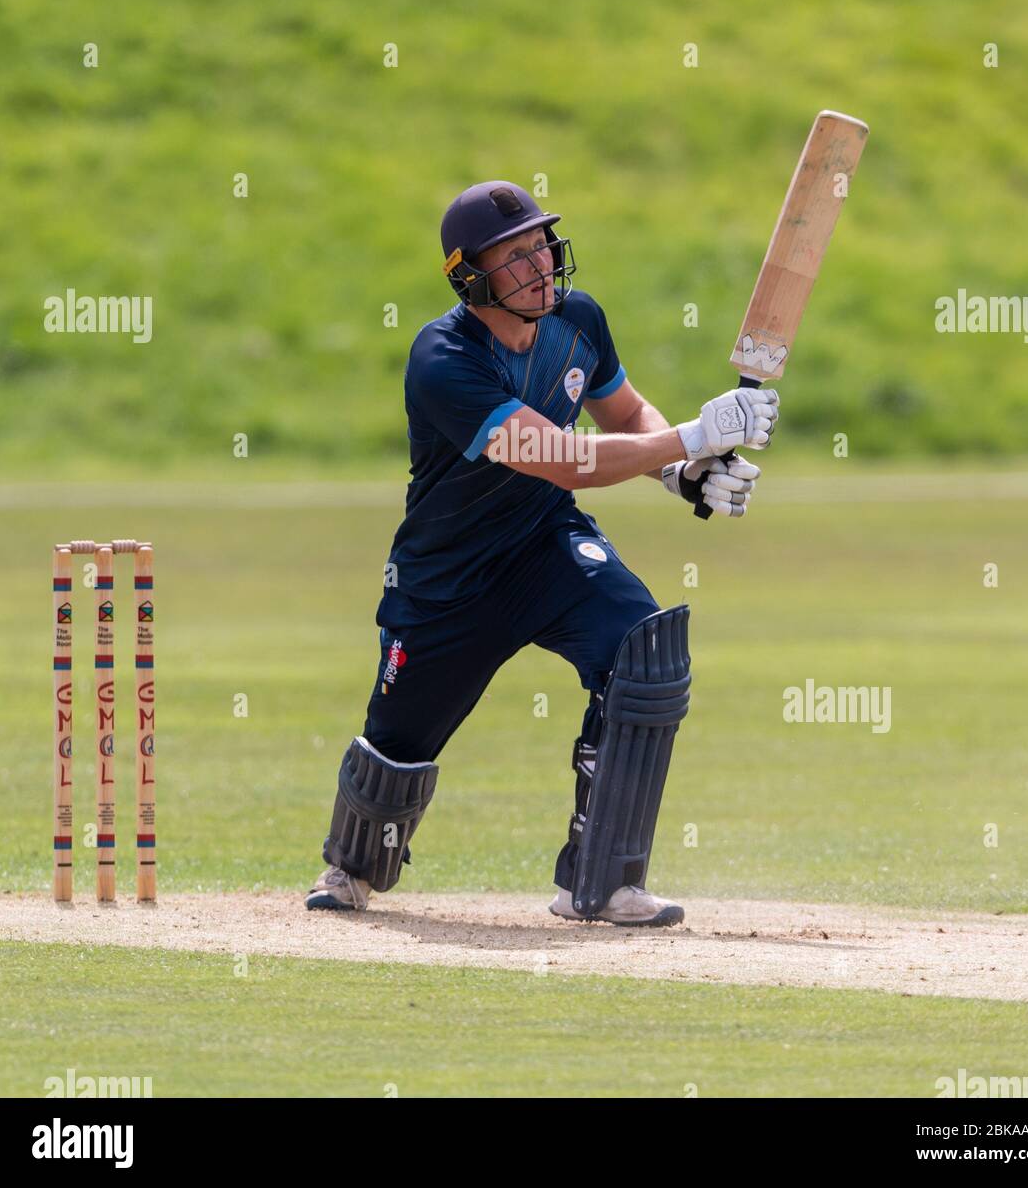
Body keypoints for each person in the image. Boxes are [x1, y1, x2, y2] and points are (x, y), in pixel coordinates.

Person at [306, 181, 778, 926]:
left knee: (640, 652)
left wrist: (677, 472)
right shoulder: (442, 359)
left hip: (543, 546)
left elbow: (622, 414)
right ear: (470, 277)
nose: (538, 266)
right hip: (446, 578)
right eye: (515, 256)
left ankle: (601, 882)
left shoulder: (577, 321)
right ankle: (355, 866)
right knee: (398, 743)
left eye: (540, 247)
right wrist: (693, 438)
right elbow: (562, 458)